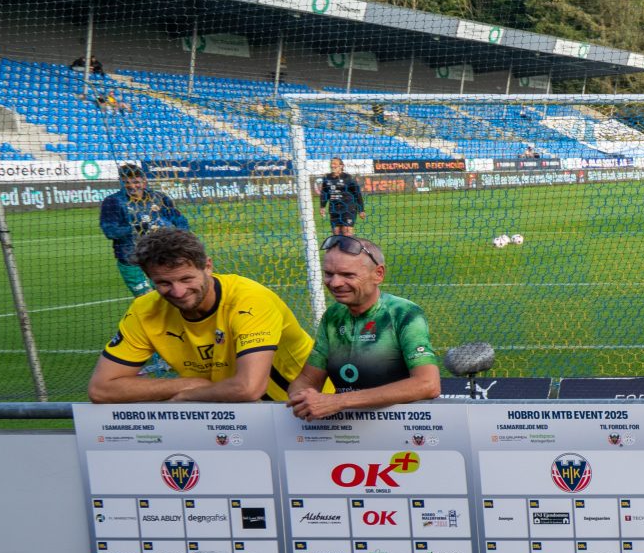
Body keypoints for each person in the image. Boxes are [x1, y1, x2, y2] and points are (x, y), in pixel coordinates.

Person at [87, 228, 314, 404]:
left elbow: (250, 387)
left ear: (207, 266)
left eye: (186, 279)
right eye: (164, 283)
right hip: (225, 412)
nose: (178, 292)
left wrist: (188, 395)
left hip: (302, 408)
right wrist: (188, 385)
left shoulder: (249, 300)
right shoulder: (145, 310)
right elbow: (101, 389)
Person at [285, 234, 441, 418]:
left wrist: (339, 401)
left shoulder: (403, 313)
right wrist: (302, 397)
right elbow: (308, 379)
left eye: (347, 275)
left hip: (401, 428)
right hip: (345, 430)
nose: (334, 283)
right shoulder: (333, 317)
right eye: (329, 273)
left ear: (378, 274)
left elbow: (428, 384)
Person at [97, 164, 190, 297]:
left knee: (169, 296)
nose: (132, 186)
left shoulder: (159, 198)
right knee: (147, 299)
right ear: (121, 182)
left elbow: (180, 220)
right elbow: (110, 231)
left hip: (161, 257)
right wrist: (134, 227)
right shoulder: (113, 202)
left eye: (136, 182)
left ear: (144, 182)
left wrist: (178, 236)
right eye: (126, 182)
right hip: (131, 259)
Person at [315, 157, 366, 235]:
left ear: (341, 166)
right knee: (336, 235)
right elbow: (324, 193)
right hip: (334, 210)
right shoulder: (327, 178)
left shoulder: (348, 178)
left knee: (347, 234)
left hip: (348, 209)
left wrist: (361, 210)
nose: (332, 166)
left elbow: (357, 194)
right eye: (331, 164)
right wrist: (322, 206)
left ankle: (352, 246)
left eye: (335, 164)